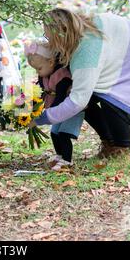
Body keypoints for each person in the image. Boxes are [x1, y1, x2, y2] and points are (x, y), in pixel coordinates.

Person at [30, 8, 130, 158]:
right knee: (83, 93)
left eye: (50, 37)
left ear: (63, 33)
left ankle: (121, 148)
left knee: (113, 96)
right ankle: (109, 142)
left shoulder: (86, 50)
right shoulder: (80, 28)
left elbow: (77, 102)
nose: (50, 43)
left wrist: (41, 118)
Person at [25, 39, 84, 170]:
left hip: (70, 110)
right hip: (57, 111)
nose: (37, 72)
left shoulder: (62, 76)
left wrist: (45, 115)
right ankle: (60, 155)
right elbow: (40, 93)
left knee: (64, 134)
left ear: (51, 62)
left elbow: (61, 98)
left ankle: (67, 160)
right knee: (54, 133)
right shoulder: (44, 75)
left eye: (39, 68)